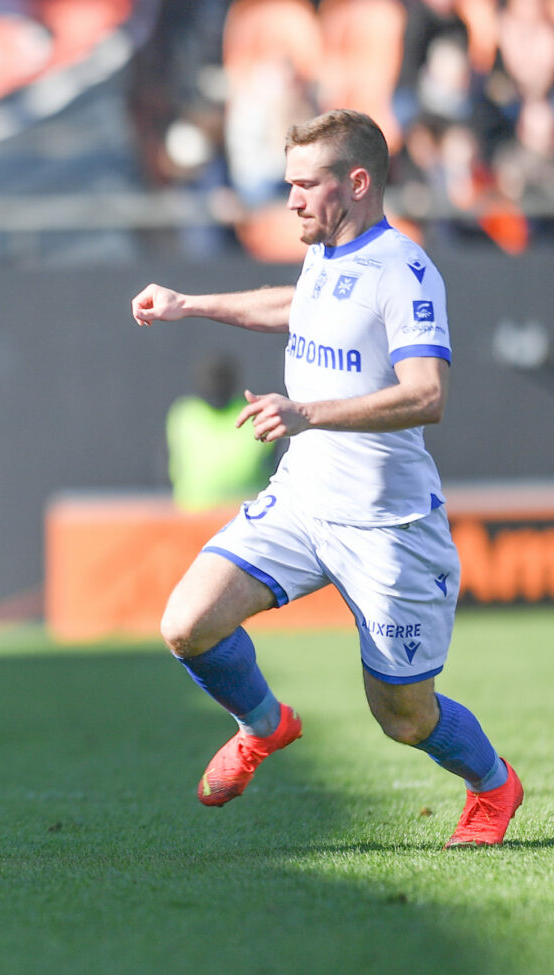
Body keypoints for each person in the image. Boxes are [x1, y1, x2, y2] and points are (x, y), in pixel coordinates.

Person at [130, 109, 522, 848]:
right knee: (186, 623)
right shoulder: (325, 254)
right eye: (289, 184)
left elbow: (427, 394)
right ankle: (264, 725)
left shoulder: (405, 271)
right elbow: (297, 305)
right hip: (304, 500)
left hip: (387, 527)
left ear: (359, 182)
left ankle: (494, 783)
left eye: (307, 184)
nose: (292, 201)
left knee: (403, 716)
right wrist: (191, 304)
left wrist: (308, 410)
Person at [165, 352, 275, 511]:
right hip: (193, 518)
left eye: (221, 381)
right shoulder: (184, 414)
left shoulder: (255, 413)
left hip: (247, 517)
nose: (216, 387)